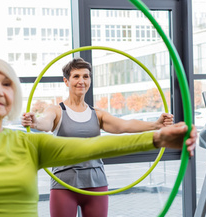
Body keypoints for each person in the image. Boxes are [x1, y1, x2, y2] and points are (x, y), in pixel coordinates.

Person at [0, 57, 196, 217]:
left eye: (7, 84)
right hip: (65, 187)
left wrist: (156, 137)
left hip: (95, 183)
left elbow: (99, 143)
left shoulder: (28, 145)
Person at [20, 57, 173, 217]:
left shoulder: (97, 114)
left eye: (86, 76)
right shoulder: (57, 110)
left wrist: (156, 125)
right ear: (66, 81)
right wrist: (35, 122)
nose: (82, 81)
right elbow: (45, 123)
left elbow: (124, 125)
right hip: (63, 185)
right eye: (76, 76)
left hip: (96, 183)